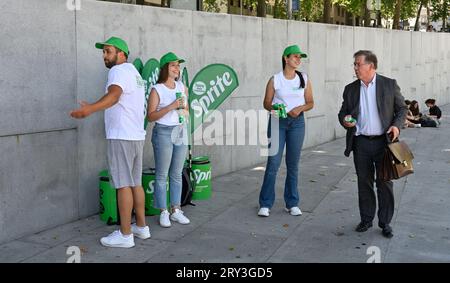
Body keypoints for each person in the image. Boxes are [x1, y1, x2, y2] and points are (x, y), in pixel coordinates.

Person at [70, 37, 150, 248]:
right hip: (136, 136)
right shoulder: (135, 73)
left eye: (108, 51)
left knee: (122, 185)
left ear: (121, 54)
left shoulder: (118, 71)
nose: (105, 56)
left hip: (121, 136)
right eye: (104, 52)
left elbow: (114, 96)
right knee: (135, 183)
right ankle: (141, 227)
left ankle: (125, 235)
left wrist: (90, 109)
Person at [338, 50, 407, 238]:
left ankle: (385, 223)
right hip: (360, 143)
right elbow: (343, 112)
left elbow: (402, 109)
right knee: (364, 183)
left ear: (371, 66)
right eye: (354, 64)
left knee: (384, 183)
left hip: (384, 143)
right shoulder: (350, 89)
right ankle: (366, 219)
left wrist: (396, 127)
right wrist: (345, 120)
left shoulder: (389, 85)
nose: (355, 67)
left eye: (358, 64)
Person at [258, 45, 314, 217]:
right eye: (295, 56)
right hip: (277, 122)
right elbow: (266, 103)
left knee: (293, 164)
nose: (298, 60)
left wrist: (300, 108)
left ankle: (292, 203)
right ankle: (265, 204)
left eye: (300, 57)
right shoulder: (275, 80)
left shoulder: (303, 78)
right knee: (273, 163)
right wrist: (275, 106)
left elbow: (311, 102)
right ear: (285, 58)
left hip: (297, 124)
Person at [147, 52, 190, 228]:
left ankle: (176, 210)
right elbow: (150, 116)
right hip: (163, 132)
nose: (176, 69)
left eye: (178, 66)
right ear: (165, 68)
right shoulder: (157, 89)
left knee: (177, 173)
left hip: (180, 131)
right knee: (162, 175)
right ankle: (163, 211)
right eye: (173, 65)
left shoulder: (182, 87)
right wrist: (171, 106)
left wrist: (184, 112)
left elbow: (186, 109)